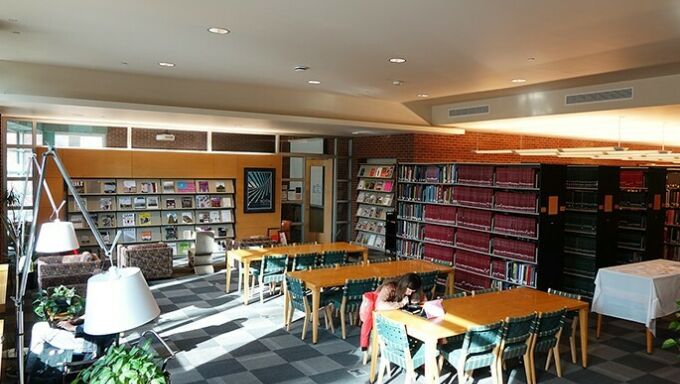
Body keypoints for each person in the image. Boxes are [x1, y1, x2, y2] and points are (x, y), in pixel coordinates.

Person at [358, 273, 423, 360]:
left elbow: (419, 299)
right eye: (409, 290)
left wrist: (415, 298)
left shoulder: (408, 291)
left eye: (412, 291)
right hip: (378, 316)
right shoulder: (389, 287)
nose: (409, 293)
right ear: (404, 285)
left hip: (393, 315)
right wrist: (400, 304)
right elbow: (380, 305)